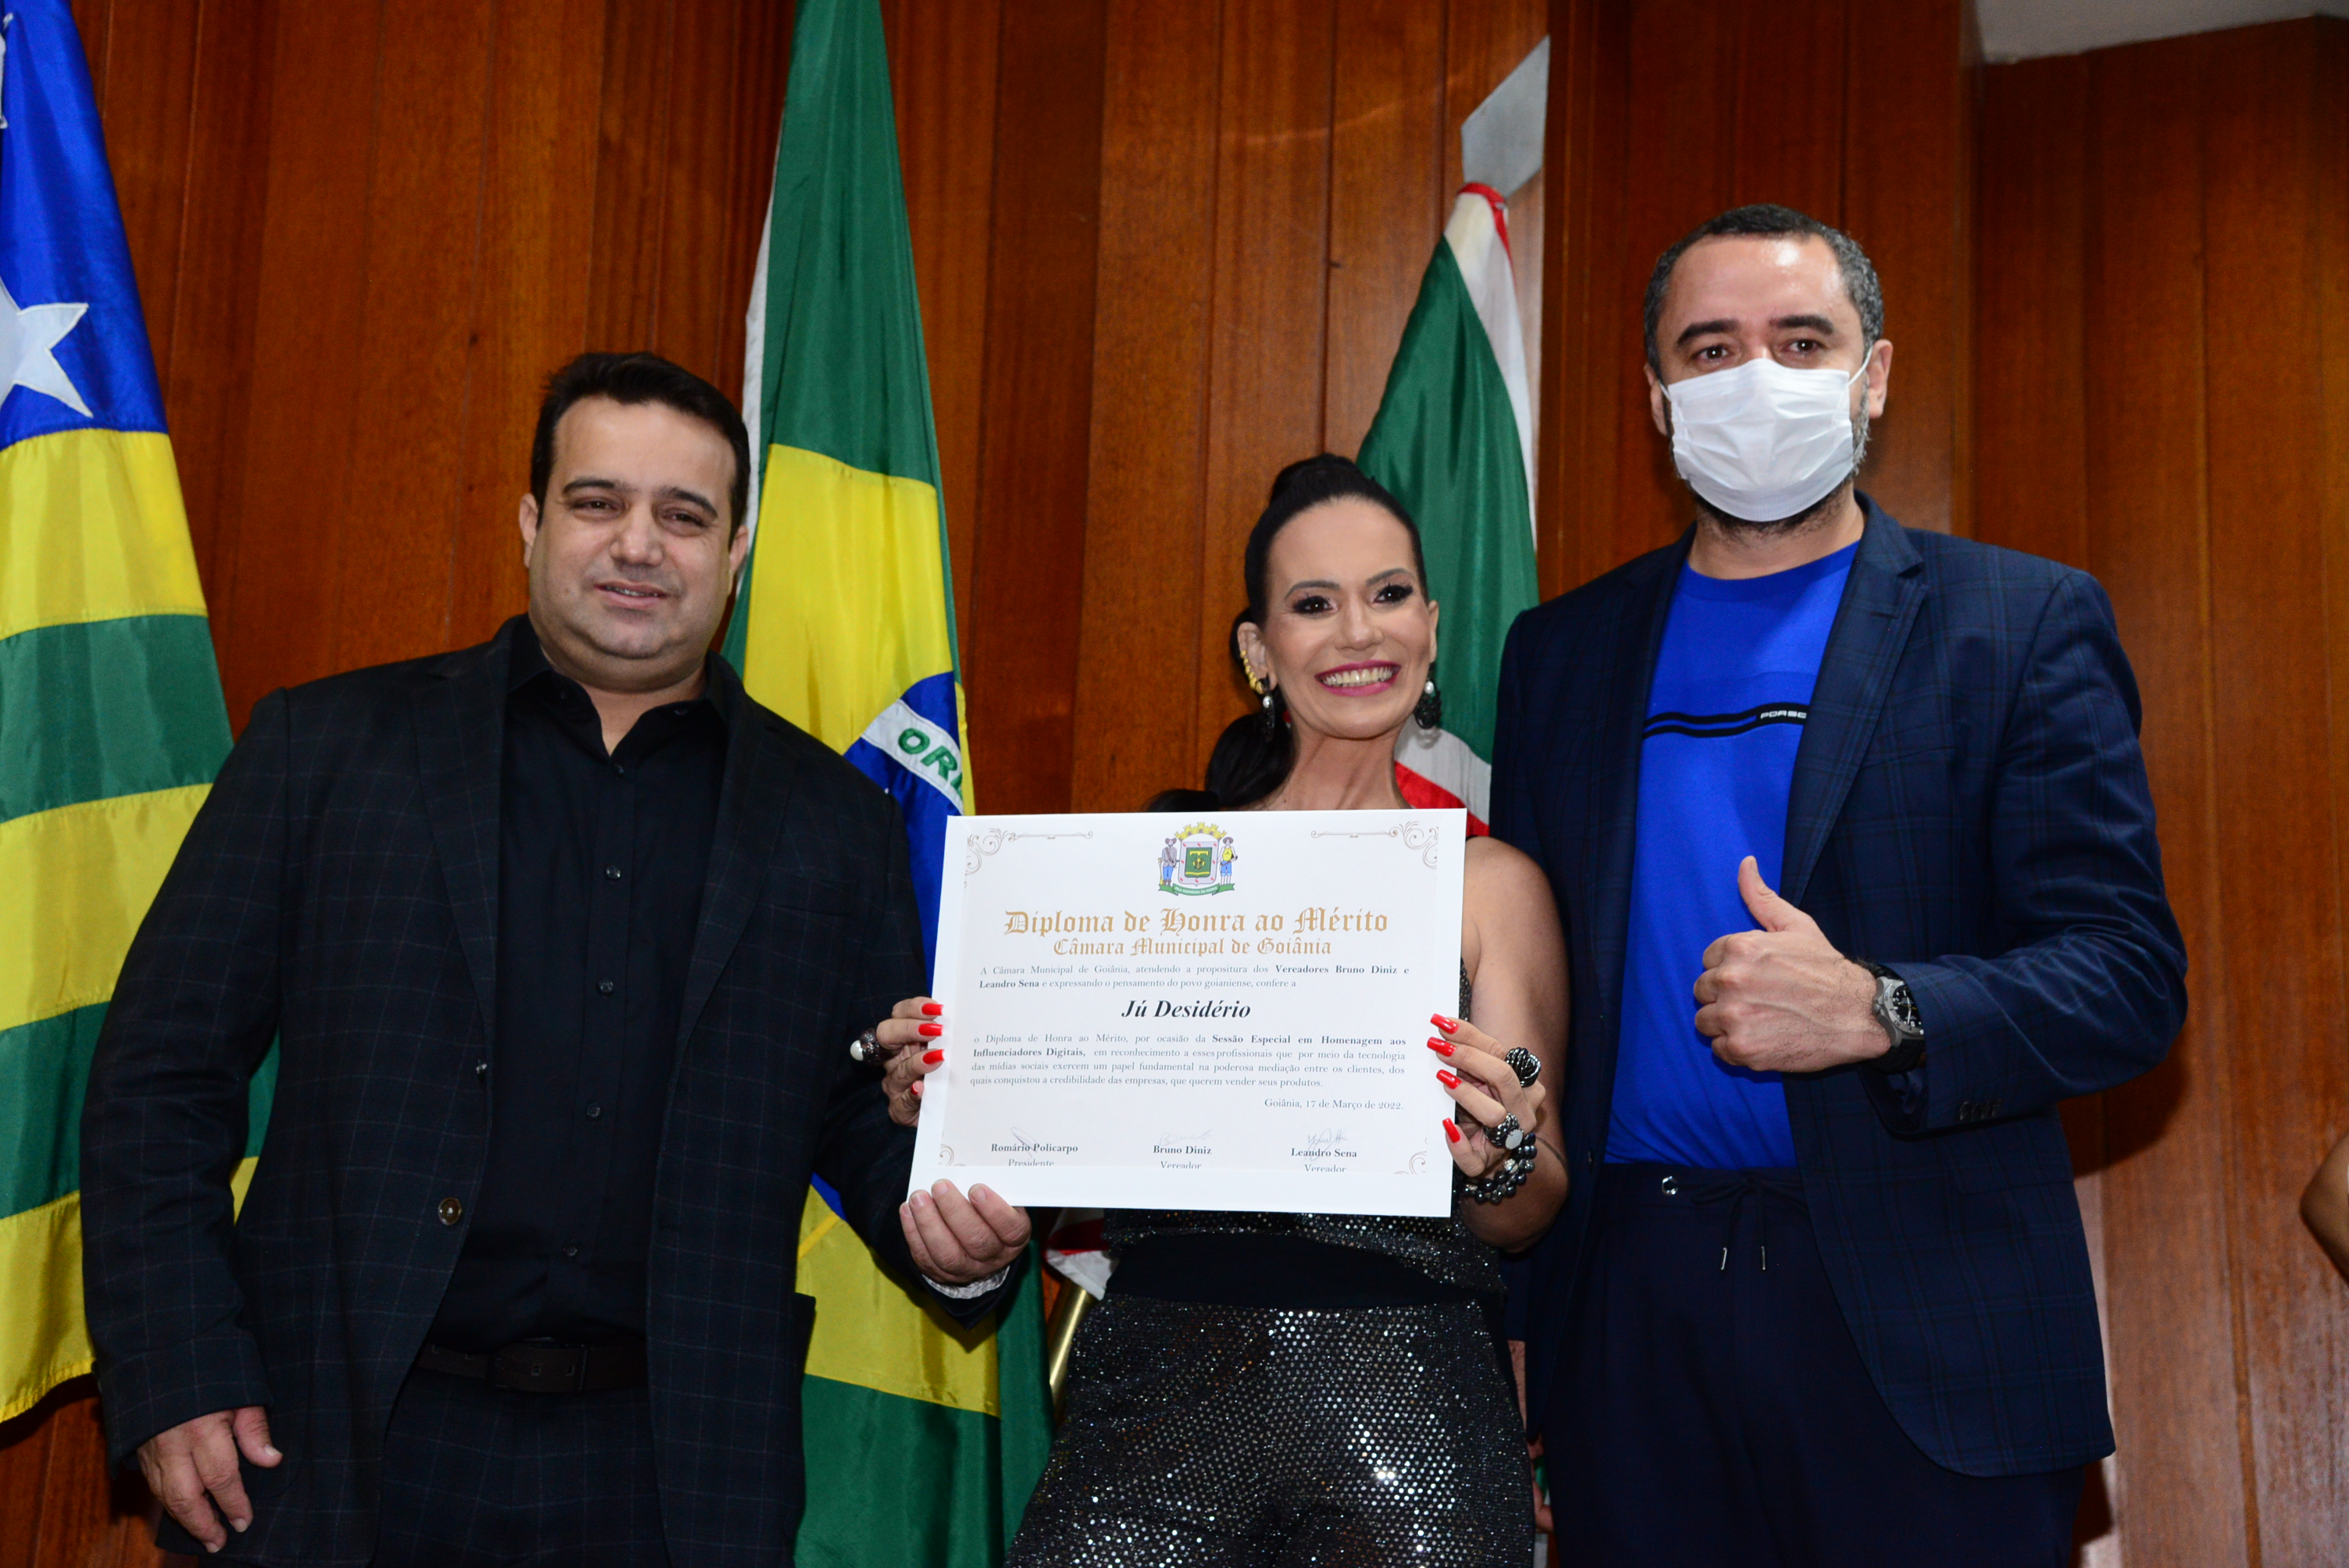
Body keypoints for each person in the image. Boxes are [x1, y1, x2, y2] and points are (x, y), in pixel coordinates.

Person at [79, 351, 1028, 1568]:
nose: (639, 544)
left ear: (735, 553)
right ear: (533, 523)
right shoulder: (325, 751)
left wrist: (961, 1230)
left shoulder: (833, 823)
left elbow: (864, 1108)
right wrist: (175, 1365)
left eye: (683, 516)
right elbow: (161, 1076)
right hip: (332, 1441)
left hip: (670, 1476)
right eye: (598, 502)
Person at [1491, 205, 2187, 1566]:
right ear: (1658, 398)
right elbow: (1534, 1012)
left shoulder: (2020, 622)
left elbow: (2128, 979)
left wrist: (1884, 1010)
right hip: (1627, 1324)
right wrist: (1520, 1330)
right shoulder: (1558, 654)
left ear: (1872, 379)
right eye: (1711, 349)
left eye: (1801, 342)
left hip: (1930, 1320)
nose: (1756, 378)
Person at [888, 455, 1568, 1566]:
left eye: (1389, 594)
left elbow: (1534, 1207)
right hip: (1150, 1408)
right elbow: (1026, 1168)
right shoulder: (1131, 872)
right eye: (1315, 604)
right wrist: (960, 1088)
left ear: (1433, 627)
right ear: (1260, 650)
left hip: (1415, 1420)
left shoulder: (1492, 886)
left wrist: (1498, 1158)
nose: (1360, 631)